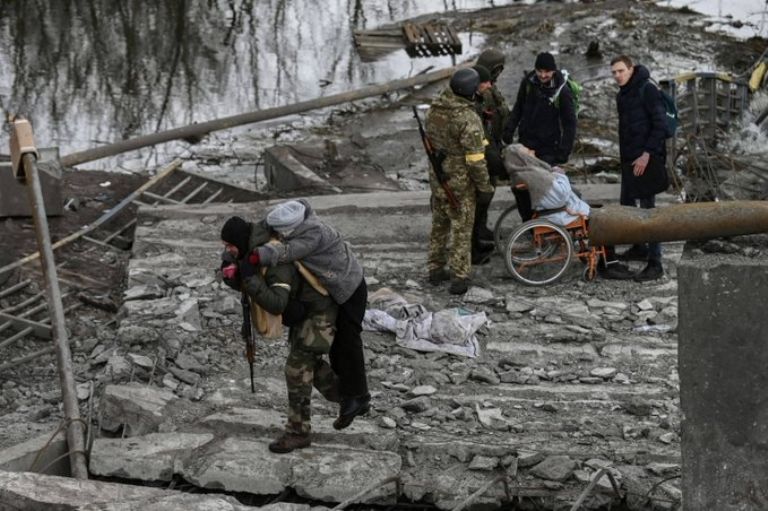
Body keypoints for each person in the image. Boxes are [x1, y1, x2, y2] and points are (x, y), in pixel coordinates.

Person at [220, 217, 340, 453]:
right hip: (305, 311)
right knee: (309, 364)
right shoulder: (250, 252)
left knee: (296, 369)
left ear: (240, 241)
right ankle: (349, 397)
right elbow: (257, 284)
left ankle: (298, 432)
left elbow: (276, 303)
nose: (227, 250)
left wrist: (248, 277)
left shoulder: (273, 257)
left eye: (229, 245)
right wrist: (234, 278)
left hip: (319, 312)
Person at [250, 199, 370, 430]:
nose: (279, 235)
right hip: (336, 289)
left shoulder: (313, 234)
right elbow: (266, 226)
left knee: (348, 342)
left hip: (349, 288)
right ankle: (351, 397)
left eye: (282, 232)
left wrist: (255, 256)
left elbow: (287, 252)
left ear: (291, 228)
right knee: (336, 347)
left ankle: (357, 397)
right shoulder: (298, 217)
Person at [503, 145, 635, 280]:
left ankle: (607, 260)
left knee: (602, 214)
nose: (533, 151)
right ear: (522, 158)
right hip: (559, 214)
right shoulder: (534, 175)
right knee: (605, 221)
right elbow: (561, 196)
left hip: (552, 212)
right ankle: (610, 265)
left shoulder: (523, 173)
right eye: (528, 151)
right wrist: (560, 175)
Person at [425, 67, 495, 295]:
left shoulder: (434, 109)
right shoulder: (467, 118)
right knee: (462, 230)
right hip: (459, 184)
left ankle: (435, 269)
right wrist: (485, 186)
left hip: (438, 180)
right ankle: (459, 277)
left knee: (439, 226)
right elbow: (475, 159)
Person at [611, 55, 668, 281]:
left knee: (648, 212)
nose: (617, 76)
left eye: (621, 71)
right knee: (627, 205)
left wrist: (647, 155)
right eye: (614, 72)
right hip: (629, 161)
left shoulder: (648, 89)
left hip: (647, 159)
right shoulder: (622, 95)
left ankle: (656, 263)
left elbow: (661, 125)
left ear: (631, 69)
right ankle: (639, 246)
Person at [503, 52, 577, 222]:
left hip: (548, 150)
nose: (543, 75)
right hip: (526, 147)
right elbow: (518, 108)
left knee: (543, 189)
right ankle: (528, 223)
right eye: (539, 71)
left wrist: (562, 154)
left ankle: (546, 225)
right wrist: (509, 130)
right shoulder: (528, 83)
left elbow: (570, 125)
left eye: (547, 72)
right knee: (521, 187)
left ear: (554, 71)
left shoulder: (562, 92)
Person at [472, 49, 511, 250]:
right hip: (483, 148)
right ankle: (475, 233)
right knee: (482, 194)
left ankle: (481, 226)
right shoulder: (479, 90)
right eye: (498, 70)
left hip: (494, 143)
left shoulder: (490, 88)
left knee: (490, 190)